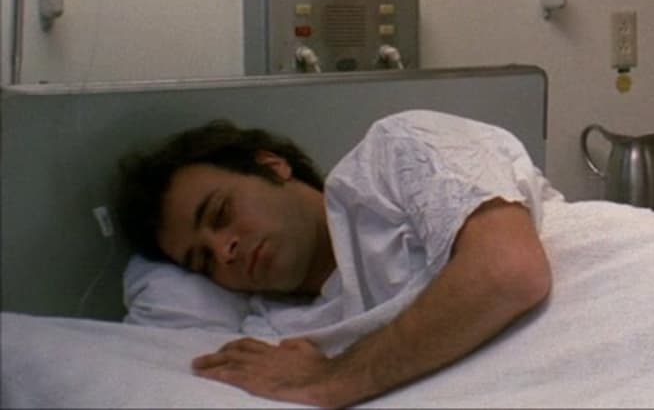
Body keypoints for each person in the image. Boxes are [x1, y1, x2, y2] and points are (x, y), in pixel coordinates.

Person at [115, 109, 560, 407]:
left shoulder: (395, 155)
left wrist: (333, 379)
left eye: (221, 213)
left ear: (272, 166)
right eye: (203, 261)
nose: (223, 251)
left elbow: (508, 271)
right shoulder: (277, 336)